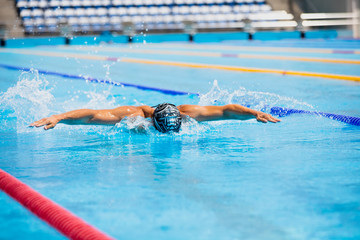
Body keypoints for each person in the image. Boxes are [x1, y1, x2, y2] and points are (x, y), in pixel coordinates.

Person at [30, 103, 280, 133]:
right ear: (153, 124)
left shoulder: (189, 114)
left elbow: (226, 111)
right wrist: (59, 116)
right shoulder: (133, 116)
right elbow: (92, 115)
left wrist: (253, 113)